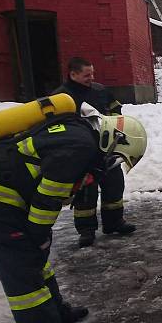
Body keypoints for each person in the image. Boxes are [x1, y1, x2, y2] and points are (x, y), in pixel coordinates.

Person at [0, 108, 147, 323]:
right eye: (117, 156)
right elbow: (48, 200)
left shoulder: (79, 133)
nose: (113, 162)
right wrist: (38, 235)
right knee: (22, 266)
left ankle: (55, 312)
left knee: (36, 255)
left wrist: (40, 238)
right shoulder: (79, 150)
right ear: (115, 139)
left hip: (5, 191)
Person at [53, 57, 133, 246]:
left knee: (114, 185)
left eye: (92, 73)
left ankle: (114, 222)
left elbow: (116, 109)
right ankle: (86, 231)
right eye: (86, 74)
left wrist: (114, 123)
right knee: (85, 192)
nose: (91, 77)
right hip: (81, 153)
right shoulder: (61, 97)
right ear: (73, 74)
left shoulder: (100, 90)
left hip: (107, 147)